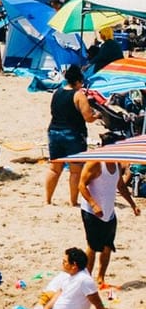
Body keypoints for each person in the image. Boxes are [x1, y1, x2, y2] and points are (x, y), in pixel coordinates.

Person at [44, 64, 98, 207]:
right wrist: (97, 115)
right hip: (73, 135)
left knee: (54, 169)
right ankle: (73, 201)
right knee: (75, 171)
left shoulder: (57, 92)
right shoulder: (78, 95)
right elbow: (88, 117)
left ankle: (48, 199)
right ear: (78, 81)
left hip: (54, 132)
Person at [81, 156, 140, 283]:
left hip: (109, 211)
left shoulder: (117, 165)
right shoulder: (95, 163)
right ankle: (86, 277)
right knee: (93, 246)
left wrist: (133, 205)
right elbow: (81, 185)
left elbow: (121, 186)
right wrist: (93, 204)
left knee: (108, 246)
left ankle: (101, 278)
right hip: (91, 212)